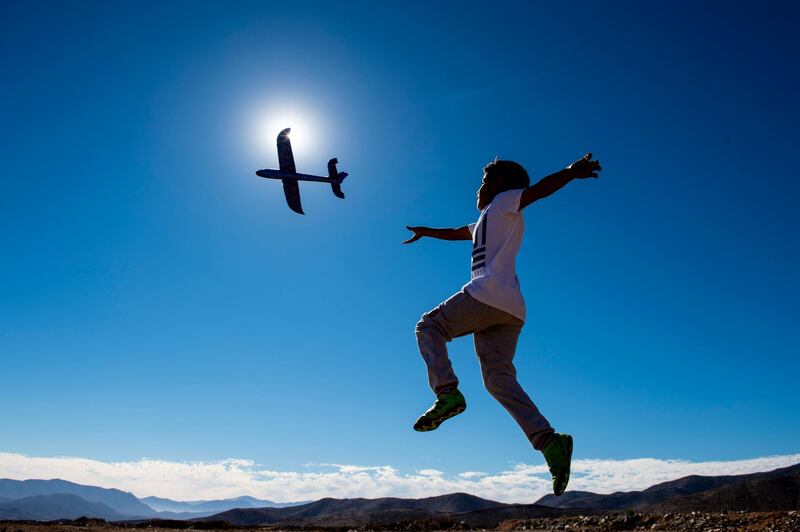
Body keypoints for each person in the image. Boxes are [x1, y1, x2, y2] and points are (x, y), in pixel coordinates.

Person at [403, 153, 601, 496]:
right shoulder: (485, 219)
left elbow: (537, 191)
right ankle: (549, 441)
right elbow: (456, 232)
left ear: (497, 186)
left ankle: (447, 394)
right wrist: (427, 232)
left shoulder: (505, 201)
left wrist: (570, 172)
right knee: (498, 380)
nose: (478, 188)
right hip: (510, 310)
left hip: (487, 295)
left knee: (428, 327)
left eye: (483, 182)